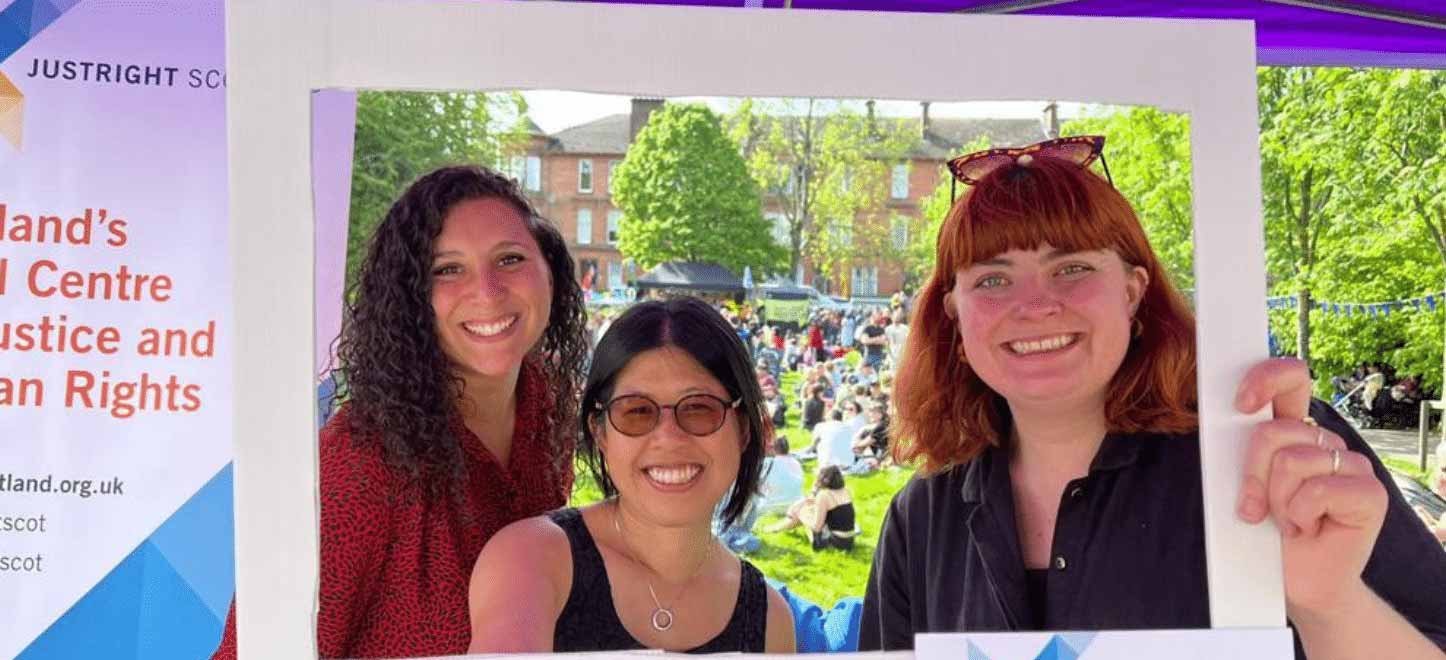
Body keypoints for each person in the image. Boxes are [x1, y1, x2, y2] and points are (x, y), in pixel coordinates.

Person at [859, 140, 1446, 656]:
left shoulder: (1273, 454)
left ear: (1134, 293)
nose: (1034, 304)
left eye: (1071, 268)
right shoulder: (923, 518)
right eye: (992, 279)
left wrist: (1332, 605)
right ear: (954, 315)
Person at [211, 166, 588, 659]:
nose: (488, 291)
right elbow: (255, 651)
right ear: (410, 297)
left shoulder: (549, 409)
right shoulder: (360, 464)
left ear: (551, 272)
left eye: (510, 258)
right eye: (447, 268)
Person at [466, 297, 794, 653]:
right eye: (636, 411)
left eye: (699, 408)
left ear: (744, 428)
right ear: (600, 432)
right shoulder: (531, 560)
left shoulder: (768, 619)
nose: (668, 436)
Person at [767, 465, 858, 551]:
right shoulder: (845, 490)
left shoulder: (824, 495)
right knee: (807, 510)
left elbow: (817, 527)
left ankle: (775, 529)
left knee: (802, 512)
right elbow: (833, 510)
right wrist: (813, 495)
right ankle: (775, 528)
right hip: (849, 541)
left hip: (834, 543)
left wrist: (802, 515)